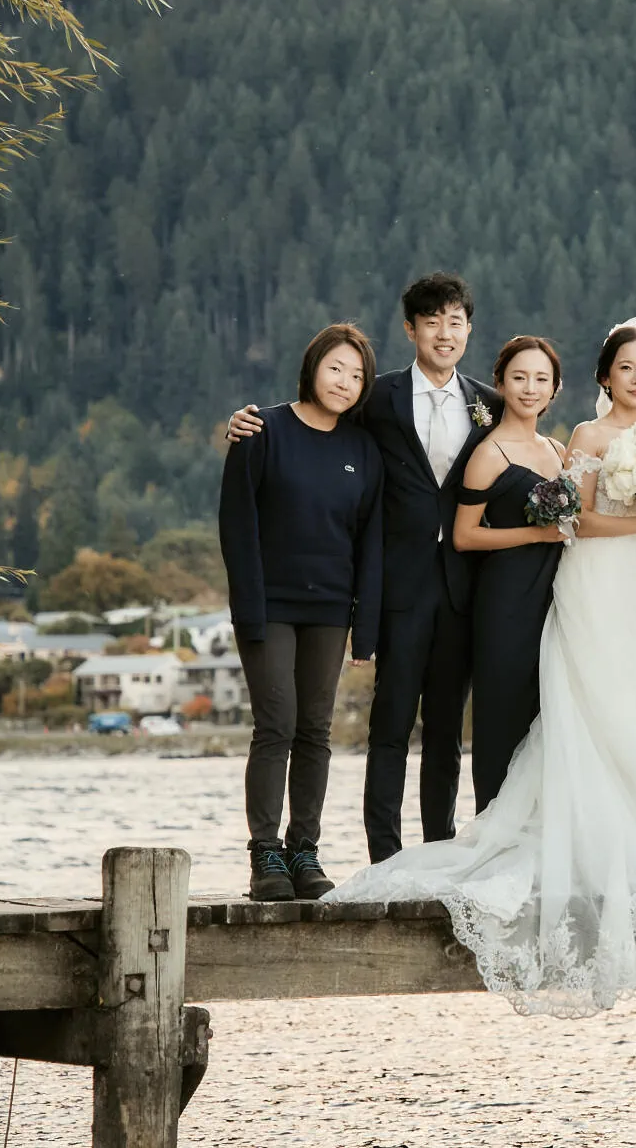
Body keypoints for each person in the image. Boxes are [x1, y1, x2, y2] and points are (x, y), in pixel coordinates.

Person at [325, 325, 636, 1016]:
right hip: (592, 580)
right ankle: (503, 840)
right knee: (590, 702)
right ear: (603, 375)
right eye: (625, 364)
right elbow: (581, 522)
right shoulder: (582, 441)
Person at [229, 272, 499, 863]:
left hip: (460, 585)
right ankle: (384, 854)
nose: (445, 333)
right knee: (390, 724)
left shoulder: (491, 405)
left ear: (469, 329)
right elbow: (314, 428)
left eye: (456, 322)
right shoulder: (377, 396)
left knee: (449, 730)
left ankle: (441, 850)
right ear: (411, 330)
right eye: (433, 322)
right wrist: (246, 424)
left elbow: (517, 458)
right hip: (395, 583)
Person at [218, 323, 385, 901]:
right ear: (313, 366)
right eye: (336, 368)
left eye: (357, 374)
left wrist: (365, 625)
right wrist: (250, 609)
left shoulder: (363, 447)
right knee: (277, 723)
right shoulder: (262, 430)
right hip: (270, 604)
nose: (344, 382)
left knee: (315, 730)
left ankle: (304, 850)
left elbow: (370, 541)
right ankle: (265, 854)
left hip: (331, 606)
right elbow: (237, 527)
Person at [452, 336, 568, 810]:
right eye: (519, 377)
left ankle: (544, 833)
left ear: (555, 389)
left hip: (554, 597)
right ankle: (496, 826)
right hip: (504, 597)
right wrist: (537, 536)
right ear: (499, 383)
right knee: (502, 715)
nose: (529, 388)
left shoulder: (558, 449)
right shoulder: (489, 453)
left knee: (548, 716)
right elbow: (465, 535)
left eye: (541, 379)